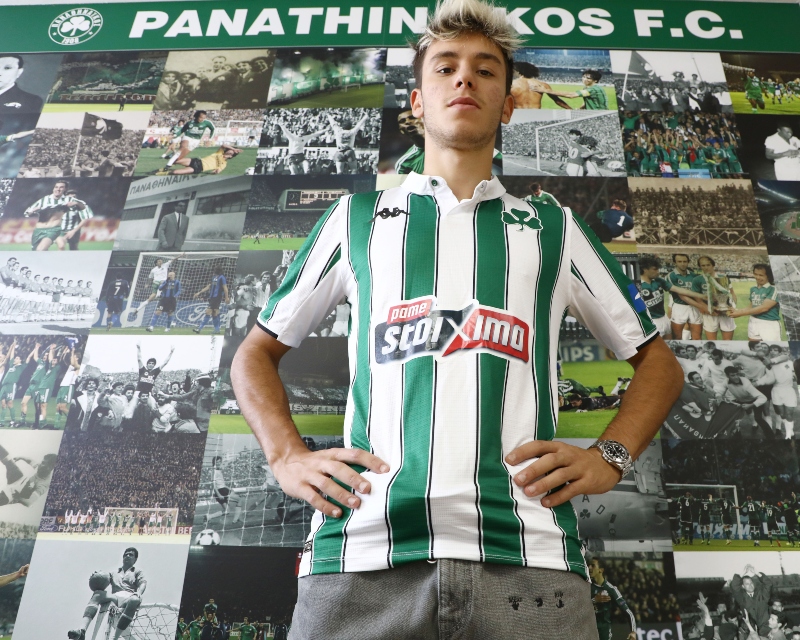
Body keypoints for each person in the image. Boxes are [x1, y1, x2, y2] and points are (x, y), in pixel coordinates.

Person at [230, 0, 683, 636]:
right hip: (361, 558)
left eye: (485, 69)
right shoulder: (355, 219)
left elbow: (659, 364)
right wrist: (285, 456)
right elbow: (255, 352)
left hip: (530, 562)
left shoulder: (552, 227)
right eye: (445, 67)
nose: (464, 77)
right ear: (418, 102)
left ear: (509, 105)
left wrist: (609, 455)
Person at [68, 547, 146, 640]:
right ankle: (82, 631)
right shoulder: (113, 573)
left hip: (129, 597)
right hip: (116, 596)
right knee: (97, 594)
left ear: (135, 559)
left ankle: (115, 638)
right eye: (126, 554)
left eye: (131, 555)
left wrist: (139, 592)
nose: (127, 556)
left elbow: (142, 583)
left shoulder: (137, 572)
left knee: (135, 600)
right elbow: (102, 579)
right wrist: (96, 576)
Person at [728, 264, 782, 342]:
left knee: (771, 347)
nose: (758, 277)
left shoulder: (773, 289)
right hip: (753, 321)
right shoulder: (753, 289)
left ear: (768, 276)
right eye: (756, 274)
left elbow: (764, 308)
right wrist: (737, 311)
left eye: (761, 275)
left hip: (769, 323)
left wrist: (740, 313)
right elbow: (751, 306)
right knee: (753, 347)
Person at [588, 558, 636, 640]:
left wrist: (633, 632)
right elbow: (577, 605)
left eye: (593, 565)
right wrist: (594, 600)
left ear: (601, 570)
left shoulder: (611, 589)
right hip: (587, 628)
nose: (589, 567)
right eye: (589, 565)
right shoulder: (586, 585)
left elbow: (628, 612)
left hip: (604, 632)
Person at [155, 144, 241, 176]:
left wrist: (216, 172)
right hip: (197, 161)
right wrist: (234, 148)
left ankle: (161, 173)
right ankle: (163, 169)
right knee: (176, 160)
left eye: (232, 152)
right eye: (230, 150)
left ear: (232, 156)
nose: (230, 151)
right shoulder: (219, 153)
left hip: (199, 168)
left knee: (176, 172)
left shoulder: (224, 163)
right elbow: (223, 145)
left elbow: (218, 170)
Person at [193, 266, 229, 334]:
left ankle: (199, 328)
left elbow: (225, 288)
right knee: (214, 313)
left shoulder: (222, 277)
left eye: (215, 270)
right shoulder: (213, 277)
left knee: (208, 312)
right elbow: (208, 287)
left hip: (217, 297)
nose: (214, 271)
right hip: (212, 297)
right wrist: (199, 292)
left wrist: (227, 297)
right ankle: (217, 329)